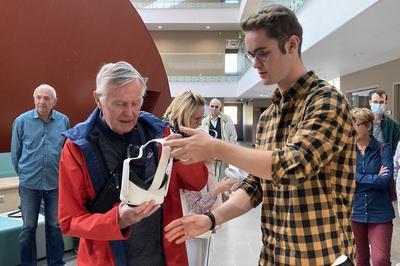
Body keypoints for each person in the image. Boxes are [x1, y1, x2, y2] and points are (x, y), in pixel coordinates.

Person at [164, 5, 356, 266]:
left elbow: (292, 166)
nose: (255, 63)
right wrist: (211, 218)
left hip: (322, 257)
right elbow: (256, 186)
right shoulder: (268, 117)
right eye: (251, 55)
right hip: (274, 256)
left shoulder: (326, 101)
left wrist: (215, 148)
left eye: (263, 53)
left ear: (291, 44)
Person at [58, 62, 208, 266]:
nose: (129, 113)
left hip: (165, 255)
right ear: (98, 99)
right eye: (119, 104)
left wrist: (189, 154)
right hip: (106, 258)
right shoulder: (77, 146)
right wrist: (117, 220)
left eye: (136, 103)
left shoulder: (159, 131)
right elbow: (69, 221)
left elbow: (197, 183)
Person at [11, 84, 69, 266]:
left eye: (46, 98)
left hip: (55, 182)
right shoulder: (21, 121)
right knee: (28, 228)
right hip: (29, 183)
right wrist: (24, 175)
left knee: (54, 226)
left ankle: (56, 263)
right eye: (39, 97)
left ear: (54, 101)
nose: (42, 101)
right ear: (34, 98)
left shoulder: (63, 121)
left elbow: (66, 151)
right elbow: (16, 153)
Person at [162, 90, 209, 265]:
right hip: (165, 211)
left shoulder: (185, 137)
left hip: (178, 209)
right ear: (183, 114)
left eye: (201, 120)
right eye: (196, 120)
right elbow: (197, 182)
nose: (198, 124)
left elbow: (198, 182)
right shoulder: (163, 135)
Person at [351, 108, 395, 266]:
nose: (351, 128)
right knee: (360, 259)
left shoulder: (384, 148)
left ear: (368, 126)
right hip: (355, 213)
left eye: (355, 124)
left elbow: (385, 180)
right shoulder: (346, 152)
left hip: (380, 213)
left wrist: (356, 177)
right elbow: (342, 179)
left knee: (380, 260)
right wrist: (374, 177)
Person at [182, 171, 237, 266]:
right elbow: (196, 209)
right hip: (191, 231)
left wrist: (226, 191)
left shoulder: (209, 173)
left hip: (204, 228)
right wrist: (216, 191)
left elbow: (217, 203)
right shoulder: (191, 173)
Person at [201, 98, 237, 183]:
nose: (214, 108)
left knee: (222, 173)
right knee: (211, 173)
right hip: (210, 152)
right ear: (209, 107)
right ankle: (214, 191)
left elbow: (233, 136)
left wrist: (228, 149)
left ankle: (223, 191)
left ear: (220, 108)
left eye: (216, 106)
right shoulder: (204, 121)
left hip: (223, 150)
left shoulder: (227, 119)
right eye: (212, 106)